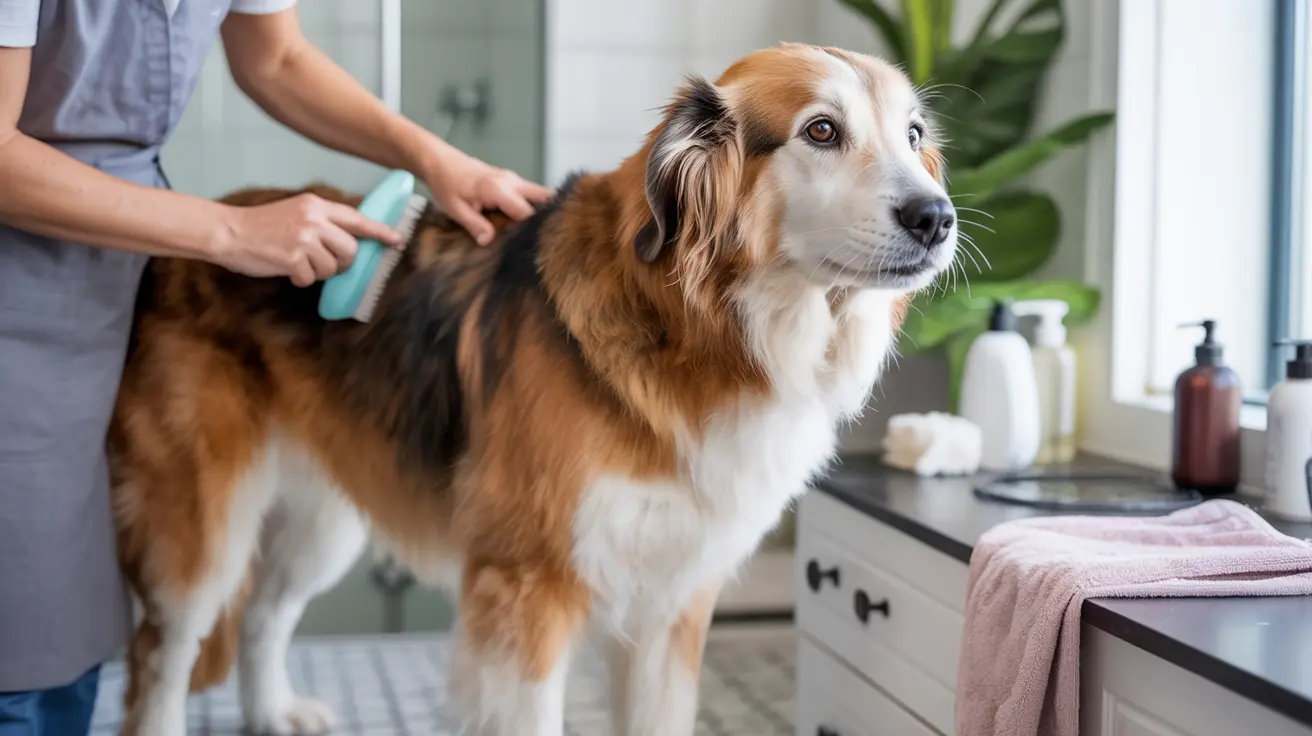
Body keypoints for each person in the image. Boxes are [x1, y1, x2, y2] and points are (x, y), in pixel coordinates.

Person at [0, 2, 553, 732]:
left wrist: (436, 159)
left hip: (121, 259)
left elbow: (276, 57)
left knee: (66, 619)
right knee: (25, 636)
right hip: (21, 279)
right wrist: (228, 231)